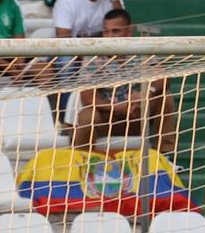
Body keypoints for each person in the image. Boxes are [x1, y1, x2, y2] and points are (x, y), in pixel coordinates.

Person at [71, 9, 179, 155]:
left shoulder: (140, 49)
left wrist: (146, 93)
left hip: (138, 116)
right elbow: (87, 98)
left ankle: (166, 156)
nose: (109, 37)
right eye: (106, 32)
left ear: (128, 32)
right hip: (108, 118)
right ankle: (79, 163)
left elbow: (163, 77)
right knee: (87, 115)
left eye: (115, 31)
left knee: (164, 97)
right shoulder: (93, 55)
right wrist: (117, 107)